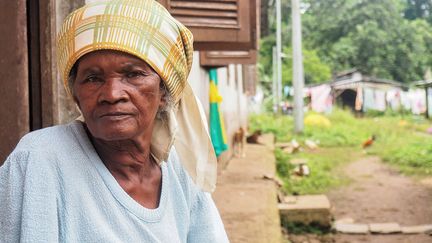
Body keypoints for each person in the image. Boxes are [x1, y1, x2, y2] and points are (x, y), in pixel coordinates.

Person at [0, 0, 229, 242]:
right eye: (92, 78)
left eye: (133, 74)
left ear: (164, 92)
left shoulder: (179, 166)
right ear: (76, 94)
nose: (111, 94)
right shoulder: (40, 159)